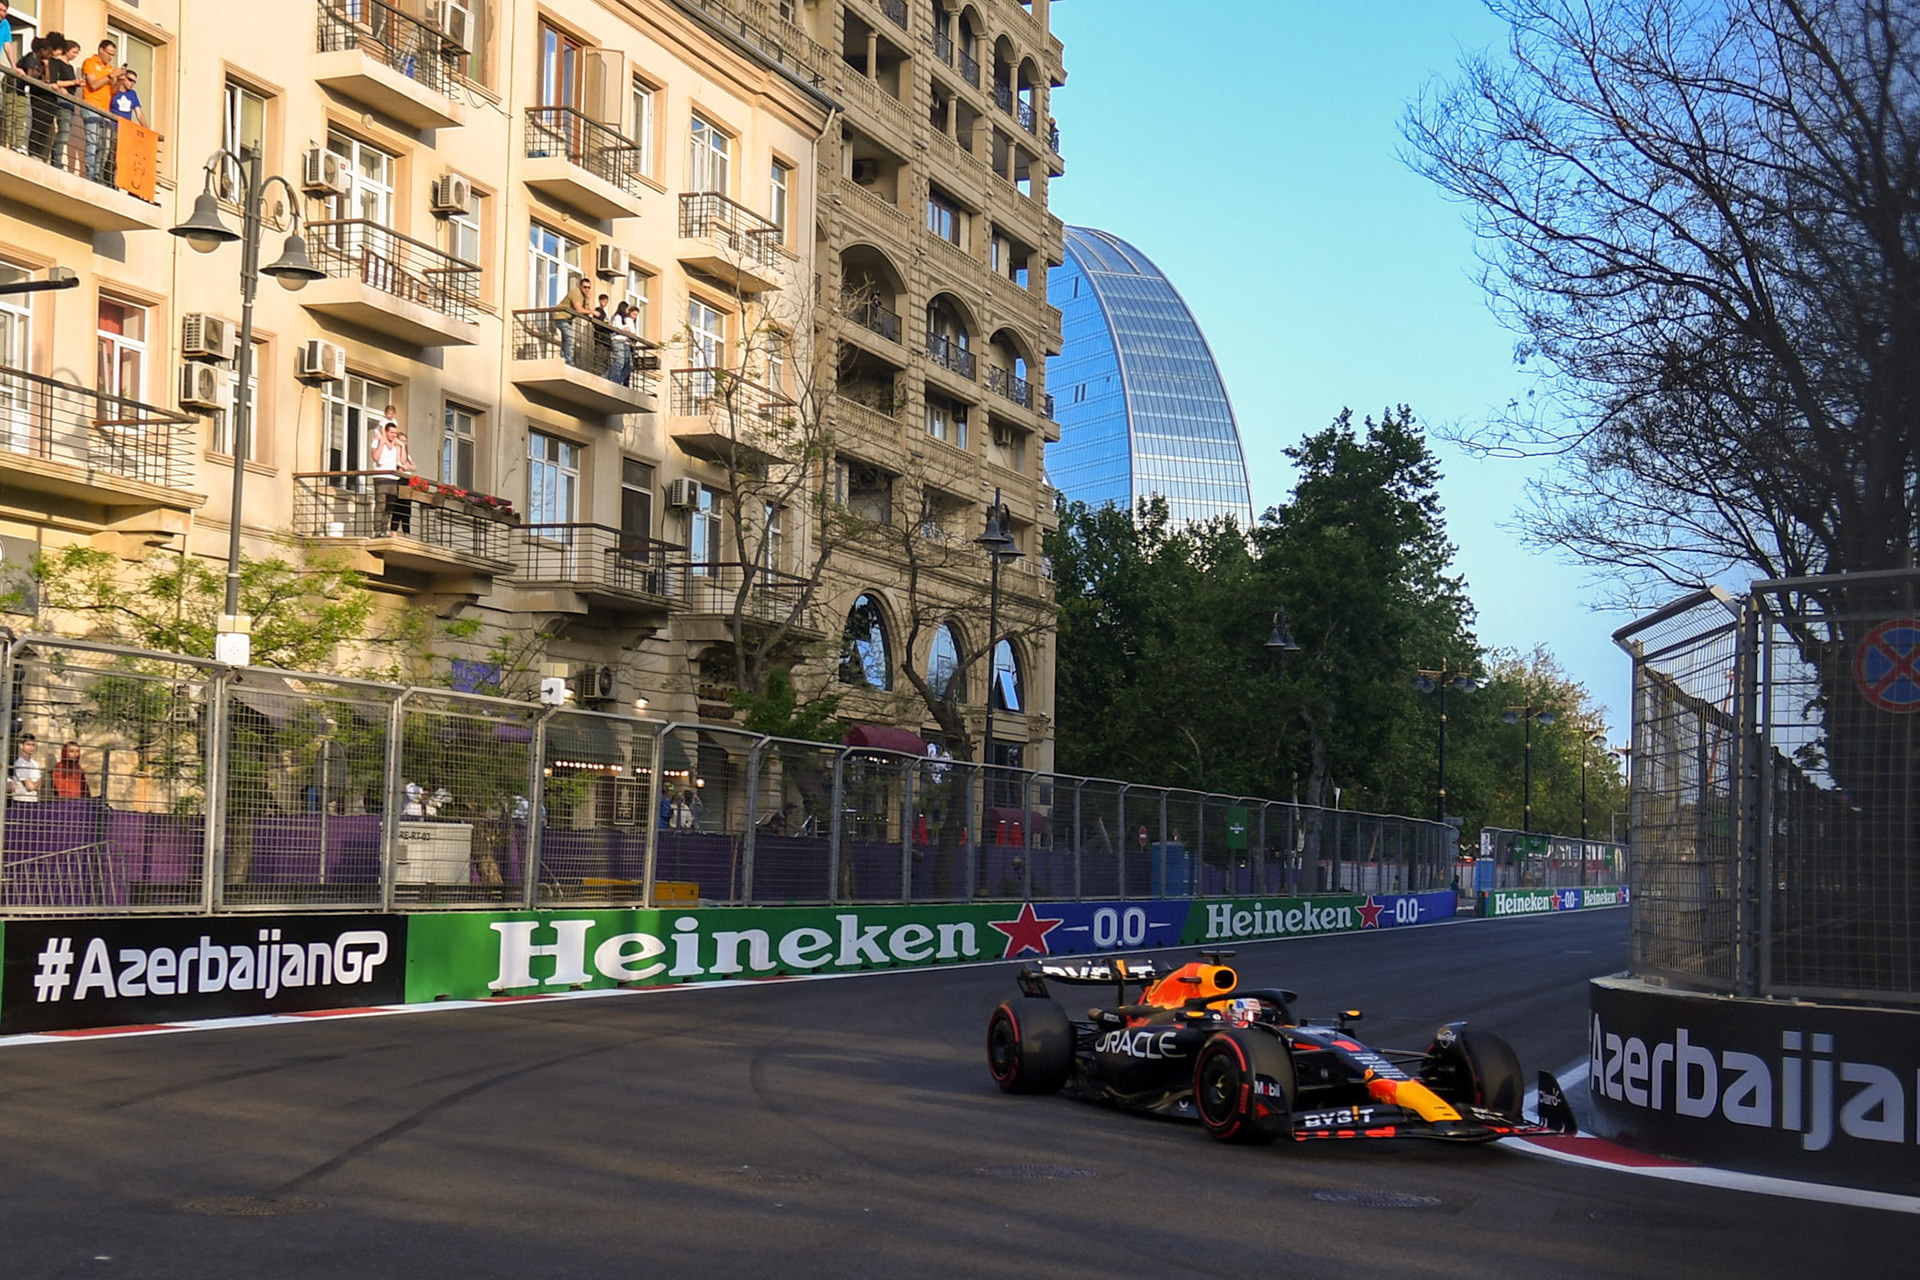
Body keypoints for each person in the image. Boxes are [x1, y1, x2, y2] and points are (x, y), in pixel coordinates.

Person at [79, 37, 114, 182]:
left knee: (103, 146)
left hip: (105, 110)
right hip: (91, 106)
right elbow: (93, 84)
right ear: (101, 50)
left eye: (113, 55)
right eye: (109, 53)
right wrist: (110, 76)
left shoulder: (110, 69)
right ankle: (91, 174)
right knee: (92, 142)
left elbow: (114, 92)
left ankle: (97, 175)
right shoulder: (90, 62)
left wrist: (118, 80)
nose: (111, 57)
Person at [558, 276, 593, 365]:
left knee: (567, 339)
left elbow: (586, 311)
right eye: (585, 287)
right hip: (560, 316)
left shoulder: (583, 296)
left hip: (567, 318)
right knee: (569, 338)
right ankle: (567, 360)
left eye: (589, 287)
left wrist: (587, 299)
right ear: (580, 286)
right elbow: (579, 310)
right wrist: (593, 311)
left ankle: (565, 358)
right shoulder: (576, 292)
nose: (587, 289)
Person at [608, 301, 635, 385]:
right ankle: (614, 380)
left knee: (629, 365)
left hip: (626, 342)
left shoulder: (628, 319)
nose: (628, 311)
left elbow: (633, 332)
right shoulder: (617, 317)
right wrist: (625, 329)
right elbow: (619, 328)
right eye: (627, 309)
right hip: (618, 340)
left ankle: (615, 379)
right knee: (619, 361)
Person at [9, 733, 40, 802]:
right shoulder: (19, 763)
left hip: (34, 800)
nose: (31, 747)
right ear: (21, 746)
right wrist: (35, 784)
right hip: (21, 800)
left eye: (33, 745)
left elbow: (39, 786)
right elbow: (30, 787)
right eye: (28, 744)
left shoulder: (35, 764)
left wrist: (33, 784)